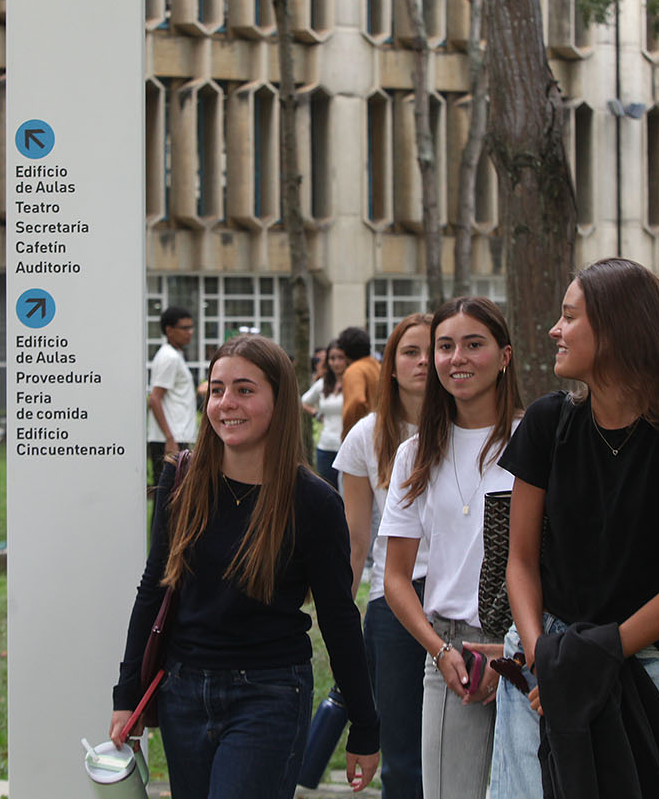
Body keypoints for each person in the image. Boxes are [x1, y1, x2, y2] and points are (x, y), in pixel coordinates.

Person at [496, 259, 659, 799]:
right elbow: (521, 560)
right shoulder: (546, 423)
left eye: (569, 317)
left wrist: (594, 659)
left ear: (615, 330)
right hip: (544, 663)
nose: (554, 330)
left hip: (642, 668)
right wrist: (546, 662)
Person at [110, 334, 379, 797]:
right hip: (183, 692)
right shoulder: (181, 479)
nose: (226, 403)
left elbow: (338, 617)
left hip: (269, 694)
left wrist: (364, 723)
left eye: (245, 390)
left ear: (280, 401)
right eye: (217, 390)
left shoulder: (313, 501)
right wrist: (126, 695)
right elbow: (154, 587)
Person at [379, 297, 521, 799]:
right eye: (445, 346)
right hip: (451, 653)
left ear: (504, 356)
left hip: (525, 649)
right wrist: (438, 651)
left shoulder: (536, 439)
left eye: (473, 344)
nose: (456, 358)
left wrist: (520, 650)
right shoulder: (414, 454)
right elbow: (395, 577)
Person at [334, 313, 434, 799]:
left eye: (435, 350)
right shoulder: (365, 436)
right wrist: (340, 615)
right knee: (402, 754)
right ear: (389, 366)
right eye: (410, 352)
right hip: (394, 602)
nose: (424, 362)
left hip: (467, 600)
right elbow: (355, 540)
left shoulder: (474, 428)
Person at [147, 306, 198, 490]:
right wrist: (170, 439)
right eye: (184, 328)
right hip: (170, 440)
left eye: (191, 327)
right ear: (169, 330)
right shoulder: (169, 357)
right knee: (169, 497)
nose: (190, 332)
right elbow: (155, 399)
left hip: (175, 437)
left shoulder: (174, 355)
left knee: (176, 496)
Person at [301, 342, 348, 488]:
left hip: (347, 447)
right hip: (325, 447)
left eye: (340, 358)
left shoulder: (354, 383)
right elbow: (303, 401)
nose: (336, 363)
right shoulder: (322, 384)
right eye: (332, 358)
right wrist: (316, 414)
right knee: (328, 492)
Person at [339, 326, 382, 436]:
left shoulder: (354, 370)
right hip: (382, 429)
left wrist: (348, 433)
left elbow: (357, 401)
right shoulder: (377, 366)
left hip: (364, 434)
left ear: (344, 352)